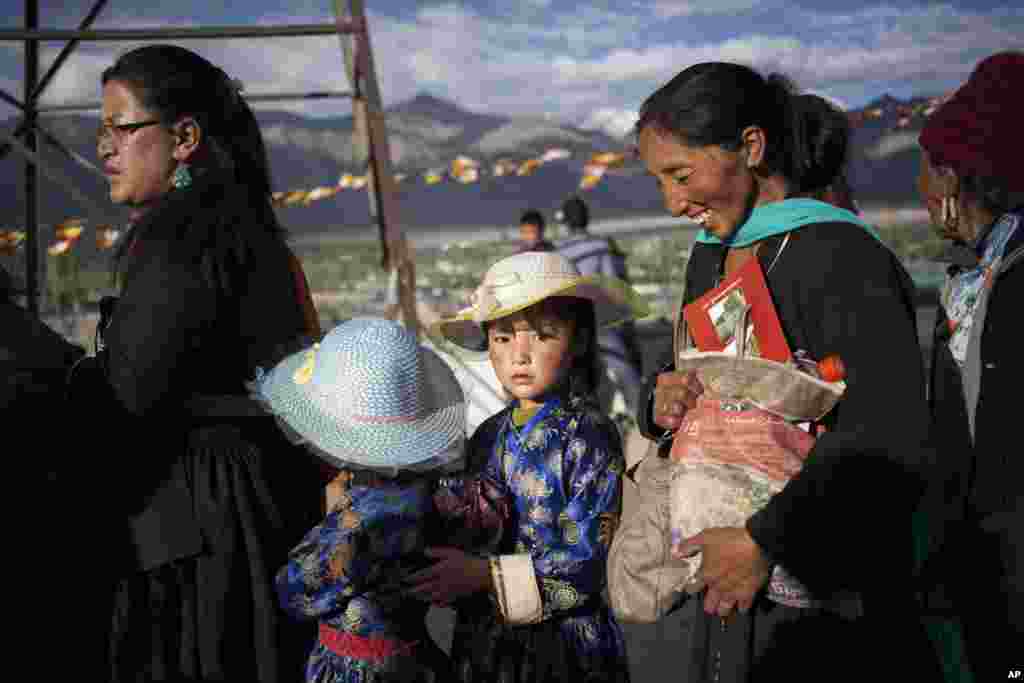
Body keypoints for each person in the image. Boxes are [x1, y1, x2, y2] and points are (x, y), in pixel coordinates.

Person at [629, 62, 943, 680]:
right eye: (659, 181)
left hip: (821, 598)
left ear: (751, 146)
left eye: (681, 174)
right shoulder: (714, 257)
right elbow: (693, 367)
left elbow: (886, 433)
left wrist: (763, 541)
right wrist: (660, 395)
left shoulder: (841, 259)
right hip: (726, 585)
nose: (672, 203)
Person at [66, 45, 323, 681]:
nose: (104, 149)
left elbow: (130, 399)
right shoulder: (241, 226)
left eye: (120, 129)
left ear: (183, 136)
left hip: (200, 526)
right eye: (103, 131)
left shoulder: (181, 241)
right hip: (251, 508)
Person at [409, 251, 646, 682]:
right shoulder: (486, 435)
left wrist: (484, 574)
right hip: (486, 638)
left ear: (576, 341)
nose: (520, 355)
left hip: (565, 644)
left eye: (542, 336)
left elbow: (589, 560)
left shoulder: (589, 434)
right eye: (502, 339)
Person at [252, 318, 466, 682]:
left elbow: (296, 590)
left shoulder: (360, 519)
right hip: (412, 655)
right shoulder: (424, 491)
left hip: (359, 669)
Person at [916, 51, 1024, 680]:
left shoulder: (1007, 286)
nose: (923, 191)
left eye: (928, 168)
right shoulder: (981, 278)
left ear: (957, 177)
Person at [555, 196, 643, 422]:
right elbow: (614, 285)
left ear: (565, 223)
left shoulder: (558, 251)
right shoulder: (600, 246)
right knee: (622, 366)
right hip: (600, 317)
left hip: (571, 320)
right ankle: (641, 415)